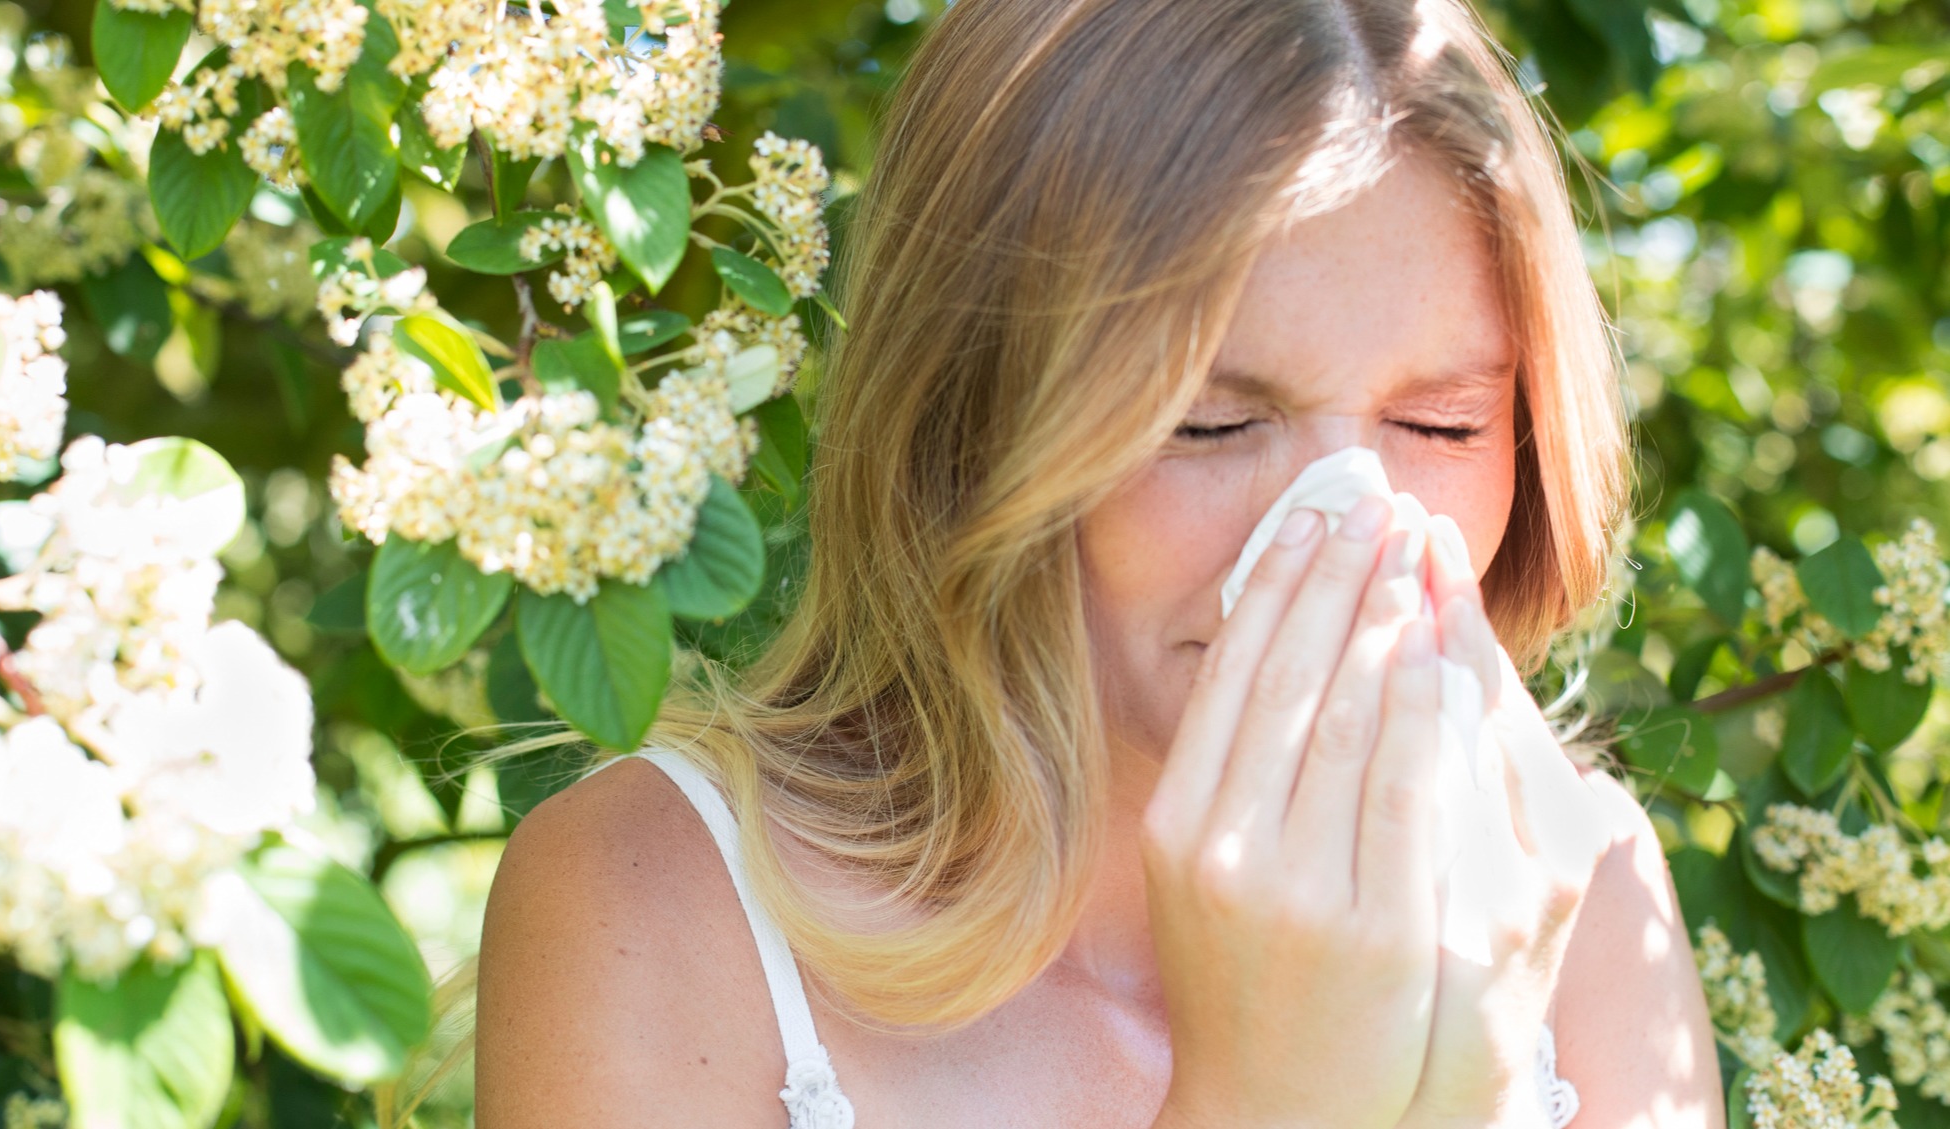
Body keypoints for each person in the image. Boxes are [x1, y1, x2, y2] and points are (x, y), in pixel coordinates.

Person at [474, 0, 1725, 1124]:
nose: (1350, 525)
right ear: (975, 421)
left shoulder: (1582, 888)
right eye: (1208, 423)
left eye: (1441, 425)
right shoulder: (650, 901)